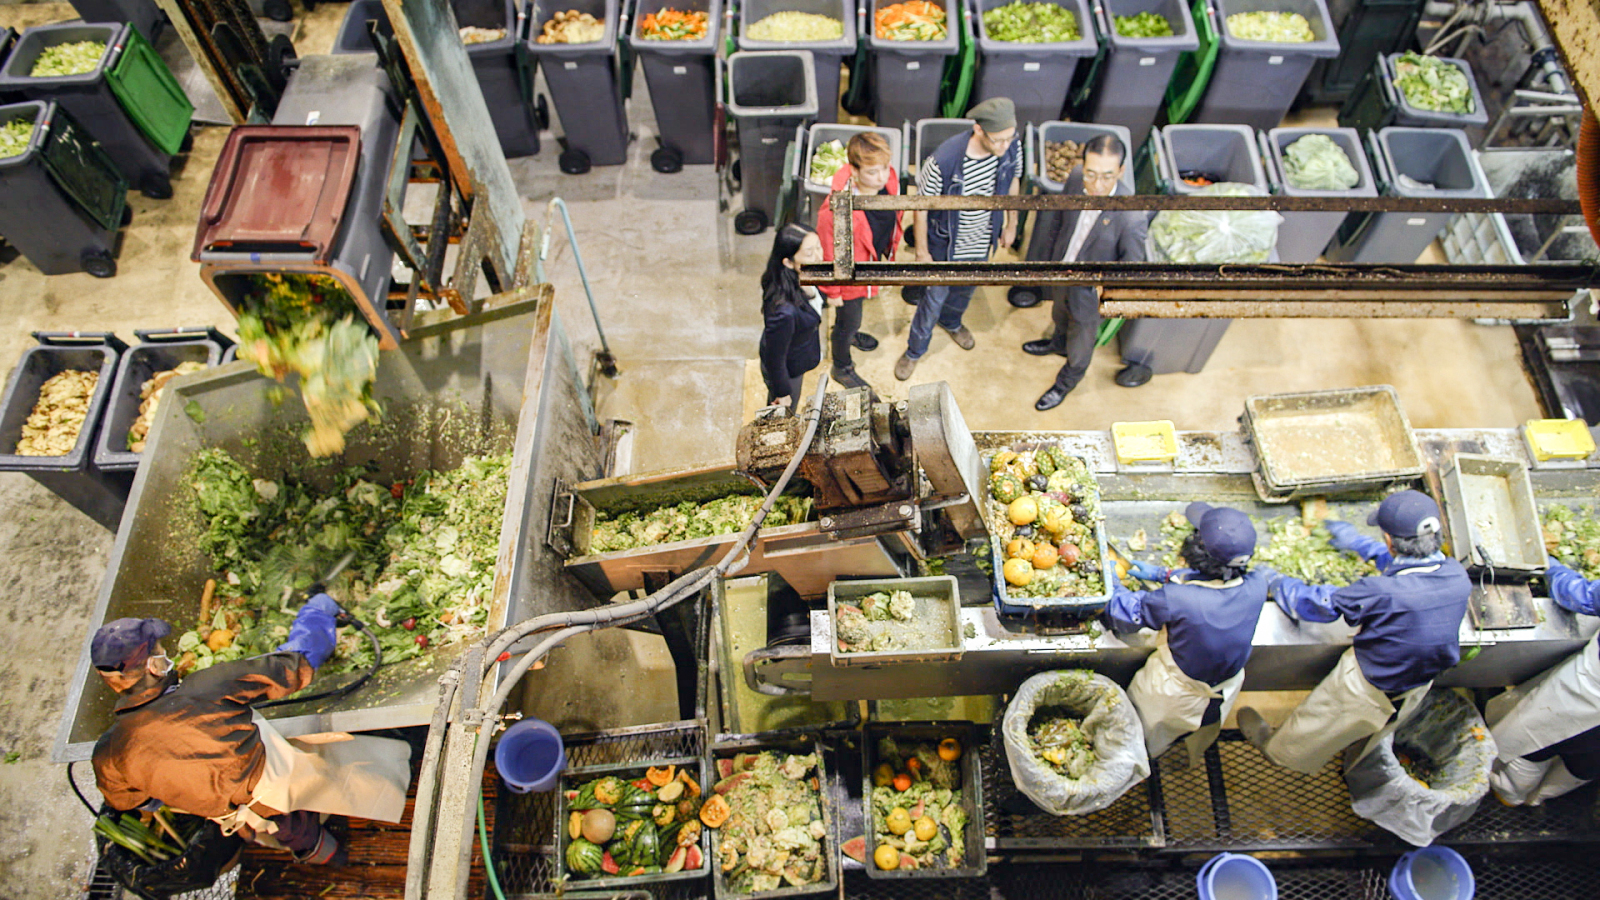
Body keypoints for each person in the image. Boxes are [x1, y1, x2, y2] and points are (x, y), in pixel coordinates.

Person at [90, 602, 411, 866]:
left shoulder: (107, 754)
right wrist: (317, 614)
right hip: (272, 778)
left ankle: (321, 852)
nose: (166, 654)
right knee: (354, 781)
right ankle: (382, 812)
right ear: (154, 667)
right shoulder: (203, 689)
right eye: (160, 650)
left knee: (280, 825)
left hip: (226, 810)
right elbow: (295, 664)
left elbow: (130, 800)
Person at [1237, 490, 1471, 775]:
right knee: (1373, 728)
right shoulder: (1456, 574)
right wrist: (1356, 543)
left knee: (1317, 724)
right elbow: (1410, 572)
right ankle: (1357, 751)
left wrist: (1274, 580)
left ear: (1389, 540)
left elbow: (1315, 605)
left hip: (1369, 686)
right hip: (1418, 682)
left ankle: (1278, 752)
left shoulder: (1380, 592)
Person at [1111, 503, 1271, 765]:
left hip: (1174, 692)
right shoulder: (1257, 584)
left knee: (1145, 737)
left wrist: (1112, 579)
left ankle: (1138, 767)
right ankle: (1192, 756)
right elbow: (1214, 581)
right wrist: (1166, 575)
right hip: (1226, 685)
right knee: (1203, 728)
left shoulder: (1178, 600)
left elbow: (1124, 614)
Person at [895, 97, 1022, 382]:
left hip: (982, 239)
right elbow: (921, 206)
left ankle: (952, 323)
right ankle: (915, 351)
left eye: (1009, 138)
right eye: (998, 140)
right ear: (978, 129)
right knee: (933, 299)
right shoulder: (944, 160)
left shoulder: (1012, 145)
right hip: (946, 243)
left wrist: (1010, 223)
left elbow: (1013, 182)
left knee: (965, 290)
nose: (1005, 146)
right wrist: (922, 252)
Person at [1021, 133, 1148, 411]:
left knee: (1080, 345)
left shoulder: (1131, 217)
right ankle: (1056, 343)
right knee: (1058, 315)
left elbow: (1130, 270)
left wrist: (1104, 295)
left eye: (1107, 176)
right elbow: (1059, 220)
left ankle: (1065, 383)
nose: (1097, 184)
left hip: (1090, 295)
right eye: (1091, 174)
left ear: (1121, 171)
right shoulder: (1077, 178)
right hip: (1062, 273)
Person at [1483, 555, 1600, 805]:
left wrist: (1551, 567)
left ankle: (1509, 795)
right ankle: (1543, 798)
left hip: (1587, 693)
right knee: (1587, 762)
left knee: (1534, 740)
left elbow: (1579, 595)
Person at [816, 132, 902, 393]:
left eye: (885, 168)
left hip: (871, 265)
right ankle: (841, 366)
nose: (883, 177)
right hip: (850, 277)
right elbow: (828, 254)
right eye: (873, 172)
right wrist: (834, 293)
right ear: (853, 170)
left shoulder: (889, 181)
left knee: (854, 318)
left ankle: (851, 335)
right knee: (848, 320)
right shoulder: (835, 211)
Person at [759, 223, 835, 410]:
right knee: (785, 411)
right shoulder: (783, 312)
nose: (819, 256)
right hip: (788, 368)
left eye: (819, 246)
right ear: (788, 262)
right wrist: (782, 392)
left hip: (797, 349)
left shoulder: (801, 274)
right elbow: (775, 358)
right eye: (809, 253)